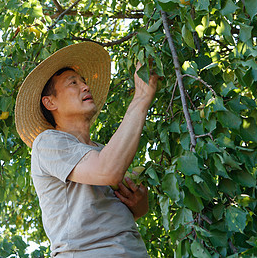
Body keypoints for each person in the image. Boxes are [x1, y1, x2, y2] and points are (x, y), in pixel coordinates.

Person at [15, 42, 158, 257]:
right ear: (50, 102)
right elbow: (107, 171)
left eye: (84, 82)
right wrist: (141, 97)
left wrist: (140, 204)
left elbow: (120, 209)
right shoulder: (47, 142)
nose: (85, 87)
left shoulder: (102, 151)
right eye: (73, 83)